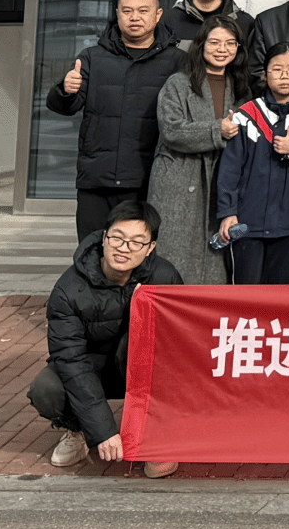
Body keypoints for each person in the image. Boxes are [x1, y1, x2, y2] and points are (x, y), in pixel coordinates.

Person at [29, 199, 181, 478]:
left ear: (150, 248)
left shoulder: (164, 276)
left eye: (137, 242)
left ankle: (155, 435)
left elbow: (178, 342)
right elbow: (70, 360)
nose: (124, 248)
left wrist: (142, 311)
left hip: (138, 365)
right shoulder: (68, 290)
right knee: (47, 388)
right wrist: (103, 431)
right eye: (117, 238)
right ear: (103, 238)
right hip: (91, 367)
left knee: (155, 352)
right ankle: (77, 429)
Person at [46, 0, 184, 242]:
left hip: (149, 179)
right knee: (92, 250)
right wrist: (66, 89)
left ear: (158, 15)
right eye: (127, 11)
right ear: (117, 14)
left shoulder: (176, 61)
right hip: (97, 178)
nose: (134, 17)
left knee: (142, 251)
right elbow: (65, 107)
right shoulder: (92, 57)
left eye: (143, 11)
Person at [146, 14, 246, 284]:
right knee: (173, 256)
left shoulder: (241, 87)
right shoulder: (178, 83)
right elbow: (172, 130)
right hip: (178, 181)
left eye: (230, 43)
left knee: (215, 261)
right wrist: (217, 130)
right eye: (214, 42)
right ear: (201, 45)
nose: (222, 49)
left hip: (220, 180)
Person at [213, 44, 289, 285]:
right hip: (247, 222)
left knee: (280, 295)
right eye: (277, 69)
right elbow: (229, 170)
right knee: (244, 293)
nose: (285, 75)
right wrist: (228, 212)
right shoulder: (245, 115)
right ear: (264, 74)